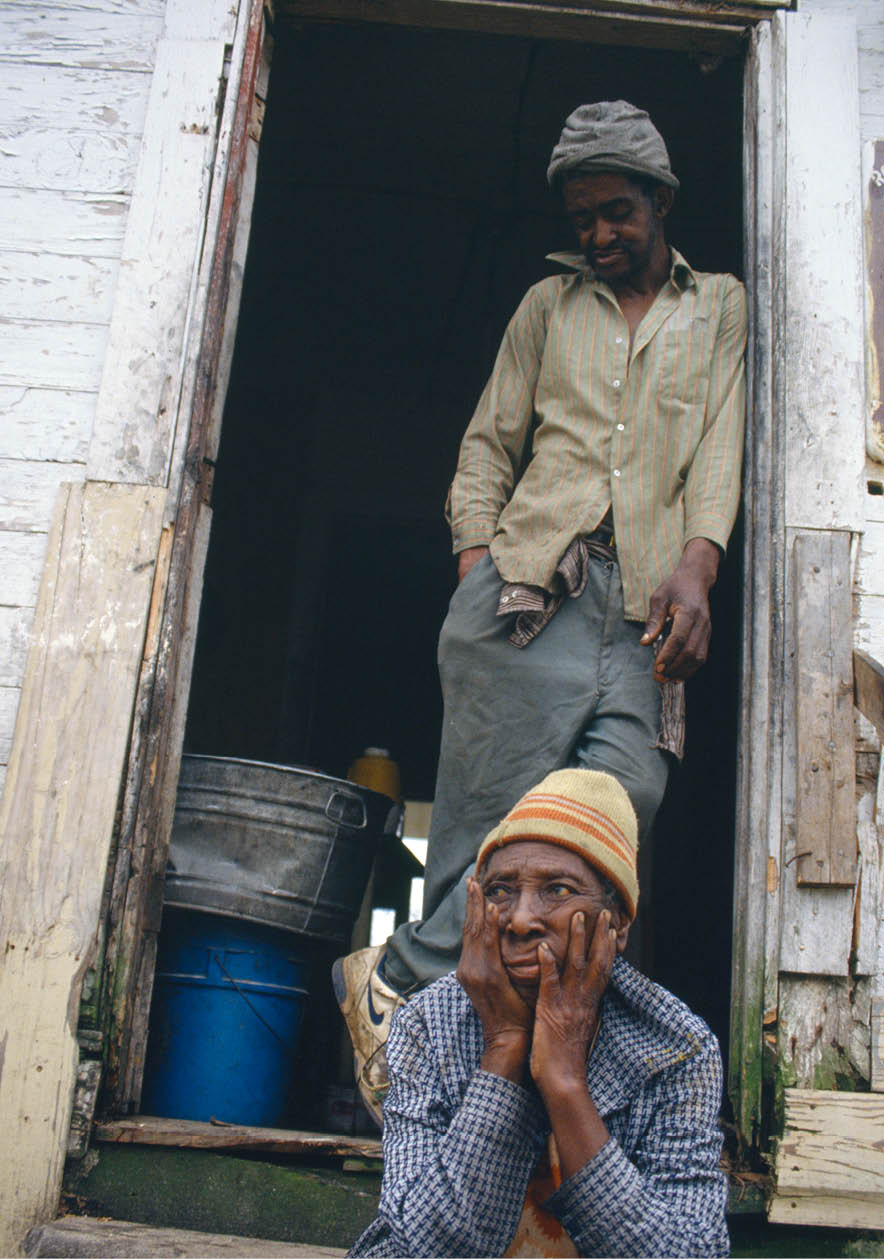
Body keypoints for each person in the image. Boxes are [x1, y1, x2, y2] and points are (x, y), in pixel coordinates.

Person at [333, 99, 746, 1124]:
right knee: (483, 847)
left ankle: (453, 1017)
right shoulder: (544, 307)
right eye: (580, 216)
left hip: (649, 616)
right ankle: (421, 1025)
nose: (598, 234)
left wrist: (698, 565)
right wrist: (478, 561)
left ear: (661, 201)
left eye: (616, 211)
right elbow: (486, 445)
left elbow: (719, 451)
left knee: (600, 841)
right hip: (528, 596)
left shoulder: (718, 306)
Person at [349, 769, 729, 1258]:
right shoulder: (427, 1023)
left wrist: (564, 1080)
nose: (521, 919)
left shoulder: (675, 1047)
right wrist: (504, 1046)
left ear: (620, 923)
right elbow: (423, 1249)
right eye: (501, 889)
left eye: (559, 890)